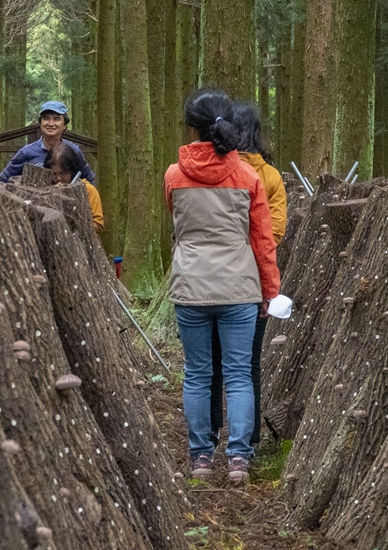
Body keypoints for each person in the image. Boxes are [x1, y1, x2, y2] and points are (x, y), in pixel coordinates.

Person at [163, 88, 280, 485]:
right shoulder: (248, 177)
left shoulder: (173, 176)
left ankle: (200, 458)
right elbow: (263, 241)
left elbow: (176, 222)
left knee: (197, 373)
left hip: (191, 286)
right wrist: (270, 291)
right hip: (239, 287)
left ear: (192, 127)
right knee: (239, 375)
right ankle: (239, 459)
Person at [209, 101, 287, 453]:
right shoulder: (269, 176)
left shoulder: (212, 170)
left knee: (208, 365)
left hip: (206, 277)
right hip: (250, 282)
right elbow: (276, 231)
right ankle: (248, 442)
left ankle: (207, 438)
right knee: (247, 365)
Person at [0, 101, 96, 184]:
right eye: (46, 118)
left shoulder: (74, 151)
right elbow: (3, 180)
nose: (50, 123)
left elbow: (89, 179)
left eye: (56, 119)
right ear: (40, 123)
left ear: (65, 125)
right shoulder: (26, 152)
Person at [44, 143, 104, 234]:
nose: (59, 178)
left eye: (63, 173)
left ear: (73, 171)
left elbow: (98, 223)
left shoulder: (88, 190)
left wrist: (74, 227)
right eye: (54, 174)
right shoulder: (45, 189)